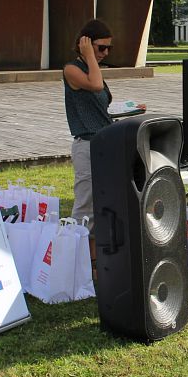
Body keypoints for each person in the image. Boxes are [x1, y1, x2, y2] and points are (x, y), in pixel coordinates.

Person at [63, 18, 115, 230]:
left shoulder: (92, 68)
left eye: (108, 48)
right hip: (87, 144)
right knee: (85, 206)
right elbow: (95, 85)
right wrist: (90, 56)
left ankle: (95, 256)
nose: (105, 53)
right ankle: (77, 252)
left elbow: (101, 100)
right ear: (85, 43)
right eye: (101, 47)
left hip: (104, 142)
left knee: (105, 202)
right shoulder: (72, 69)